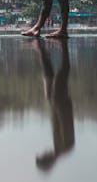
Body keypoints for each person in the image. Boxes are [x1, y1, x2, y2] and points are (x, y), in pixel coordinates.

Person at [32, 39, 74, 171]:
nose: (44, 152)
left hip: (55, 103)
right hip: (60, 103)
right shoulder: (65, 147)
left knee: (48, 80)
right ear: (49, 160)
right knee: (60, 76)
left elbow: (55, 121)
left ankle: (42, 50)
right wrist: (57, 103)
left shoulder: (59, 148)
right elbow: (64, 119)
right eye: (44, 156)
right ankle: (63, 49)